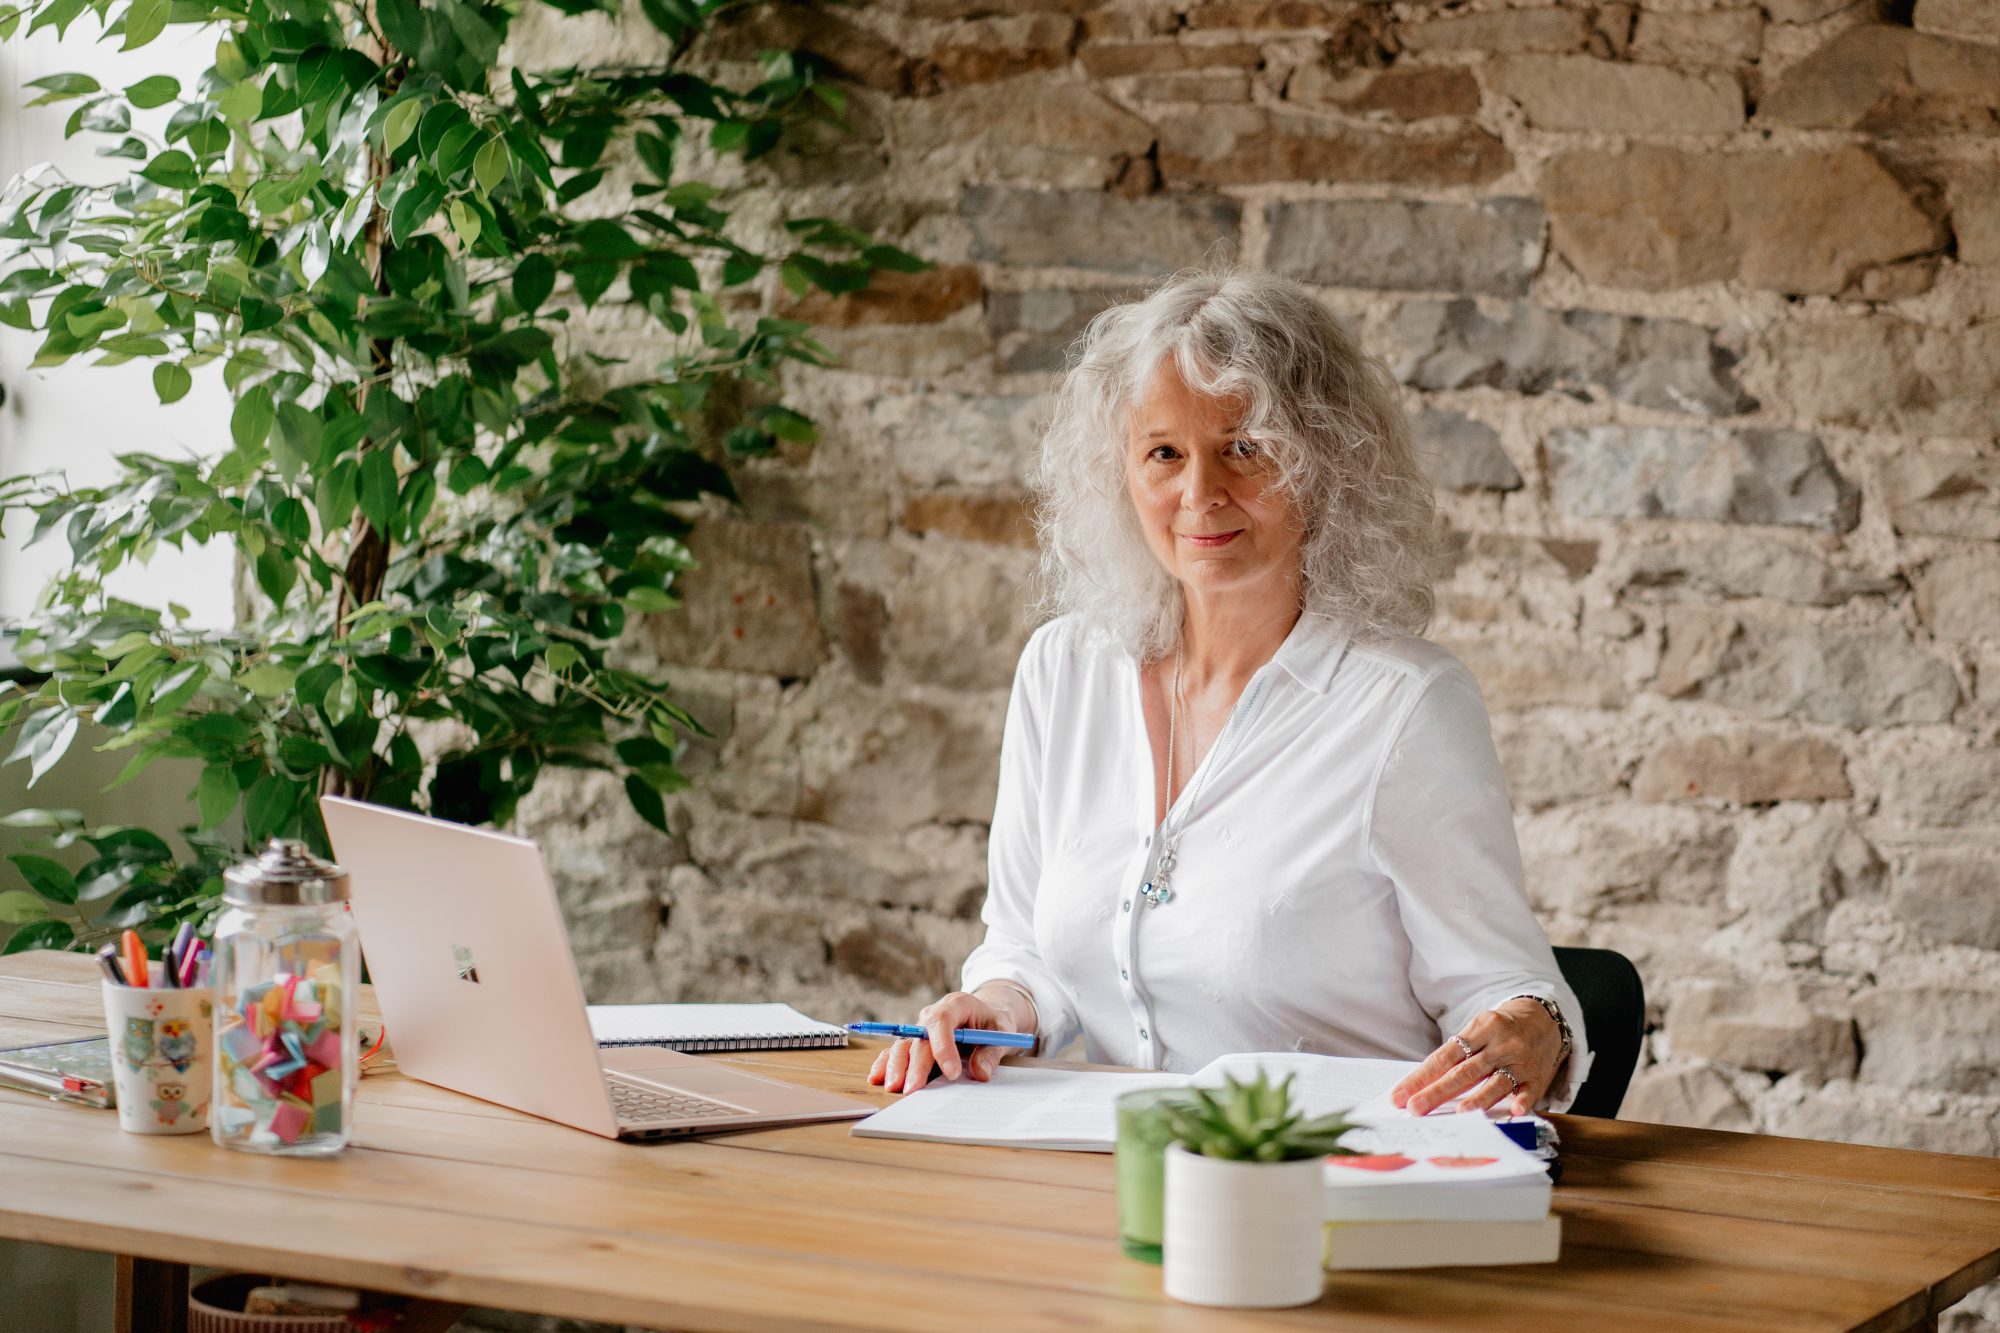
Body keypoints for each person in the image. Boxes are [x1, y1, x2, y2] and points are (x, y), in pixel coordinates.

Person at [868, 267, 1592, 1118]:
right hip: (1108, 1172)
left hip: (1327, 1178)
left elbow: (1508, 992)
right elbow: (1024, 946)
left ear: (1324, 461)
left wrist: (1535, 1028)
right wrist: (993, 1007)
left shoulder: (1404, 706)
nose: (1200, 492)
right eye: (1164, 452)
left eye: (1245, 446)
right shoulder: (1063, 669)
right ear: (1122, 471)